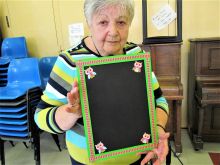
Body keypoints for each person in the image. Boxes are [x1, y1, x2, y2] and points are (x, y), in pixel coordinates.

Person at [34, 0, 170, 164]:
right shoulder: (70, 61)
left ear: (129, 23)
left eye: (121, 22)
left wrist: (158, 129)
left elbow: (158, 100)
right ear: (90, 24)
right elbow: (41, 116)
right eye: (103, 22)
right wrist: (72, 113)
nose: (113, 31)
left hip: (136, 159)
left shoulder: (136, 54)